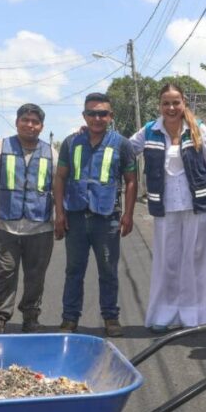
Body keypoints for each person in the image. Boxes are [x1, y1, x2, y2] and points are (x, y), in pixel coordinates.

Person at [129, 83, 206, 331]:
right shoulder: (150, 131)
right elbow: (124, 150)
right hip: (166, 206)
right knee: (168, 261)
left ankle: (199, 316)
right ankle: (166, 314)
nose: (171, 108)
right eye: (166, 103)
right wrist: (95, 134)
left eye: (175, 102)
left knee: (198, 259)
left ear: (184, 103)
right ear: (159, 106)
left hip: (199, 205)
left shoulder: (198, 128)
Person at [53, 92, 137, 337]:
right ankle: (70, 319)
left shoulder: (122, 144)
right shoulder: (71, 143)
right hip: (76, 217)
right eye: (92, 113)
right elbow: (60, 177)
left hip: (107, 218)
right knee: (73, 271)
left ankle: (111, 317)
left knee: (108, 271)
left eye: (103, 113)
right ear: (84, 115)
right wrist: (59, 213)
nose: (97, 118)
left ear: (111, 116)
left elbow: (131, 181)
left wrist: (128, 214)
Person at [0, 103, 57, 333]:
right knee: (5, 273)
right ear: (17, 122)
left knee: (35, 278)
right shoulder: (0, 147)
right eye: (25, 120)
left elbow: (60, 185)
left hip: (40, 229)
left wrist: (63, 218)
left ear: (41, 126)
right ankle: (0, 316)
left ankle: (30, 317)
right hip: (6, 228)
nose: (30, 125)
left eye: (35, 122)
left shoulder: (50, 153)